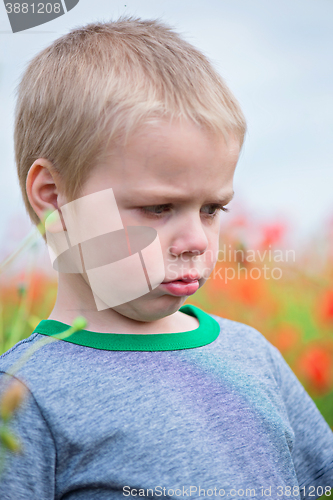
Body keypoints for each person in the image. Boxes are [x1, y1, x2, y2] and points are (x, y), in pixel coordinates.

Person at [0, 16, 332, 500]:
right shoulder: (24, 397)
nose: (196, 240)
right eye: (159, 208)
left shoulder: (251, 354)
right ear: (54, 198)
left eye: (212, 209)